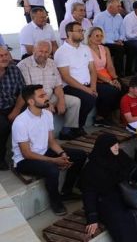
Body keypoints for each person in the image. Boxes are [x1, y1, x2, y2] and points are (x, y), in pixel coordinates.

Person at [11, 84, 87, 215]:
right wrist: (54, 161)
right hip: (24, 160)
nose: (46, 98)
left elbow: (51, 141)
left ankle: (66, 191)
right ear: (31, 101)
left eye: (45, 94)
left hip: (43, 151)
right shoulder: (20, 122)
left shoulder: (47, 114)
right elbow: (27, 153)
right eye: (41, 96)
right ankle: (55, 202)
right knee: (52, 169)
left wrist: (62, 154)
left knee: (80, 155)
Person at [81, 133, 137, 242]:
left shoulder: (120, 156)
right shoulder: (92, 168)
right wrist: (92, 217)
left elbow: (134, 168)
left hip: (125, 192)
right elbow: (89, 194)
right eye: (113, 145)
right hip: (107, 200)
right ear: (104, 148)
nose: (117, 146)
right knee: (124, 218)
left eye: (117, 143)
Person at [17, 41, 82, 140]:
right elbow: (29, 91)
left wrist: (61, 101)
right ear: (34, 50)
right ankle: (42, 139)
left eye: (46, 52)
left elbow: (58, 85)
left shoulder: (51, 63)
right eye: (40, 51)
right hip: (34, 99)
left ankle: (66, 131)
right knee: (44, 110)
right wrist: (46, 102)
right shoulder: (24, 65)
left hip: (51, 96)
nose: (43, 54)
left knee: (75, 102)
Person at [54, 22, 99, 131]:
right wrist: (87, 90)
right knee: (89, 99)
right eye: (79, 31)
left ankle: (101, 120)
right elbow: (66, 77)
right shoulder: (61, 52)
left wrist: (93, 87)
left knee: (110, 91)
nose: (82, 33)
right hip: (70, 86)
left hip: (88, 84)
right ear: (69, 33)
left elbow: (93, 70)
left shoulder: (85, 48)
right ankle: (78, 128)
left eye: (82, 30)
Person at [85, 27, 123, 124]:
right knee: (111, 90)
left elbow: (110, 66)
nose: (99, 38)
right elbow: (92, 70)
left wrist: (115, 78)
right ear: (89, 37)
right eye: (97, 36)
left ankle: (118, 116)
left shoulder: (105, 48)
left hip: (107, 75)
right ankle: (100, 117)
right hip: (93, 78)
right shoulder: (85, 50)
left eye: (101, 36)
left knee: (123, 87)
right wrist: (109, 81)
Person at [0, 46, 25, 170]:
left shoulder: (14, 69)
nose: (4, 58)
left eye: (6, 55)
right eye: (0, 56)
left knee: (30, 116)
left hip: (12, 106)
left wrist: (16, 110)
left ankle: (31, 153)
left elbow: (23, 92)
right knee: (2, 126)